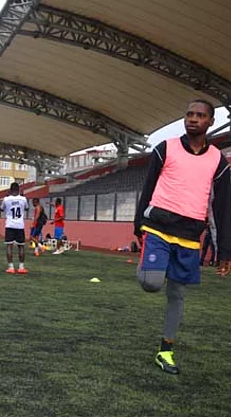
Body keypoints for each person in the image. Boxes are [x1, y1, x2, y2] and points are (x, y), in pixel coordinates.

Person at [134, 99, 231, 375]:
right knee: (152, 283)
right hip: (158, 228)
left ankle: (165, 351)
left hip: (189, 237)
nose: (193, 119)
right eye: (189, 114)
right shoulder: (165, 148)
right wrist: (138, 224)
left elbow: (223, 207)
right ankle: (151, 266)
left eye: (200, 115)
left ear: (210, 122)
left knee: (177, 294)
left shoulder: (218, 161)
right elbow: (148, 186)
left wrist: (225, 251)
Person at [1, 182, 29, 274]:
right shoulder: (23, 199)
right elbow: (27, 208)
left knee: (9, 246)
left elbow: (2, 209)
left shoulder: (6, 199)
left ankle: (11, 267)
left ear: (10, 190)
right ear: (19, 189)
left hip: (9, 225)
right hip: (20, 225)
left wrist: (7, 197)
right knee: (21, 246)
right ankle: (21, 267)